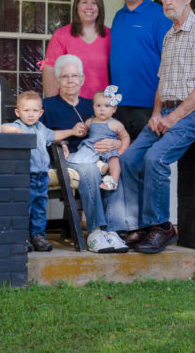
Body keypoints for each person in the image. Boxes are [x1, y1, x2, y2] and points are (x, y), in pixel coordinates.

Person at [118, 0, 195, 254]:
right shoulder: (169, 35)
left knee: (156, 158)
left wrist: (173, 117)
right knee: (129, 159)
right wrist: (155, 114)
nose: (167, 1)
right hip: (164, 113)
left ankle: (162, 228)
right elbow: (162, 82)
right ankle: (139, 226)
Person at [42, 54, 128, 253]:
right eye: (65, 77)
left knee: (114, 171)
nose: (70, 80)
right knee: (90, 170)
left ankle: (112, 231)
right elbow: (42, 135)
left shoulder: (93, 105)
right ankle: (96, 232)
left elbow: (114, 128)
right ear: (57, 81)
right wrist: (63, 139)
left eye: (75, 76)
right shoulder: (47, 106)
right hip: (66, 158)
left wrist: (115, 142)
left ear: (82, 79)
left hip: (95, 155)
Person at [1, 91, 84, 252]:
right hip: (25, 176)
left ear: (41, 113)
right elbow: (1, 128)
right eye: (26, 111)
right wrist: (16, 132)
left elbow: (54, 135)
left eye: (34, 111)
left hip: (42, 176)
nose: (31, 114)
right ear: (18, 112)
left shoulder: (41, 128)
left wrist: (72, 132)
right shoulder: (18, 126)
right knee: (26, 207)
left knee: (40, 207)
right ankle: (23, 237)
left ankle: (37, 236)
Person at [109, 0, 173, 142]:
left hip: (147, 106)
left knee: (144, 162)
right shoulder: (118, 16)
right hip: (117, 105)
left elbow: (168, 63)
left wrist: (158, 110)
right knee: (121, 160)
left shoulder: (160, 15)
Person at [40, 0, 111, 99]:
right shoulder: (61, 35)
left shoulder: (110, 36)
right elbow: (49, 70)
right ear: (76, 6)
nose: (89, 7)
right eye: (84, 2)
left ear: (100, 7)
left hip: (102, 107)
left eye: (94, 3)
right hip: (70, 104)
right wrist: (53, 105)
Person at [68, 86, 131, 191]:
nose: (102, 109)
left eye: (107, 106)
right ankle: (99, 165)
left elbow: (125, 137)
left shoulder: (116, 124)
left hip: (108, 150)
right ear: (93, 107)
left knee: (114, 161)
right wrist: (81, 131)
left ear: (114, 109)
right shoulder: (90, 121)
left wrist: (121, 150)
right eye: (98, 106)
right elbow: (85, 133)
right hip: (92, 148)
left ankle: (113, 181)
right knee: (82, 157)